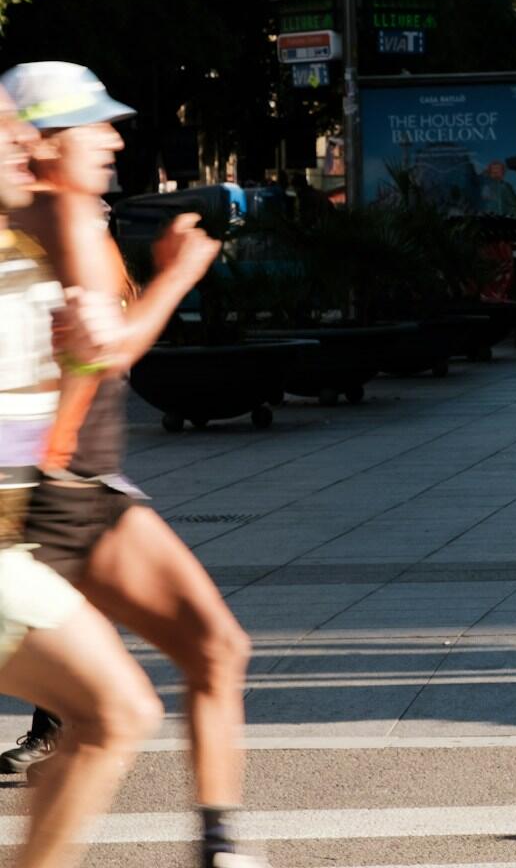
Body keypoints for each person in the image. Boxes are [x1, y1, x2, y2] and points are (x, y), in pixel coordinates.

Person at [0, 63, 262, 868]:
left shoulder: (66, 213)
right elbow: (114, 353)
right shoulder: (59, 211)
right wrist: (178, 274)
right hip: (39, 502)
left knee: (212, 650)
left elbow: (94, 353)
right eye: (96, 125)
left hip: (83, 487)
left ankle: (219, 844)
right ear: (45, 141)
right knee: (113, 711)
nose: (115, 137)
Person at [0, 77, 165, 868]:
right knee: (113, 712)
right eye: (11, 138)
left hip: (11, 539)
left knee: (115, 713)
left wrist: (70, 351)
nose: (27, 149)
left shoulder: (28, 243)